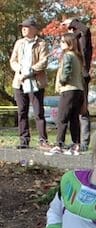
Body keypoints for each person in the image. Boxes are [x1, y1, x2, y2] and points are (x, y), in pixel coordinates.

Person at [9, 16, 51, 150]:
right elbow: (13, 60)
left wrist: (30, 71)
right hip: (19, 82)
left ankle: (43, 141)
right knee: (22, 112)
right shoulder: (19, 43)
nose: (23, 29)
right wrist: (20, 70)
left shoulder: (42, 43)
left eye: (26, 27)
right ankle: (24, 140)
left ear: (34, 29)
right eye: (22, 27)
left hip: (35, 81)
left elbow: (44, 61)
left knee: (38, 112)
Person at [47, 33, 84, 155]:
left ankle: (59, 144)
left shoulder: (68, 56)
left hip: (68, 89)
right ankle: (76, 145)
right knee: (74, 119)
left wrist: (62, 81)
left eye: (63, 41)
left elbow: (66, 72)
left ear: (70, 43)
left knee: (62, 118)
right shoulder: (78, 57)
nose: (60, 44)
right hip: (78, 90)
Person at [62, 18, 93, 151]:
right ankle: (77, 142)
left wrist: (72, 22)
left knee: (83, 110)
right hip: (73, 81)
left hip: (81, 79)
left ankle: (84, 142)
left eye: (72, 29)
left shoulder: (83, 40)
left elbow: (85, 30)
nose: (70, 32)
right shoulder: (71, 47)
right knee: (73, 113)